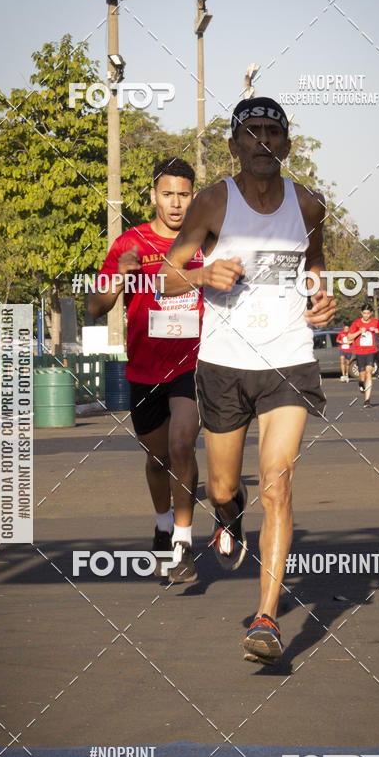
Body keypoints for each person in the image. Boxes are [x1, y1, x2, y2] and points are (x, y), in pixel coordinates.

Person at [157, 97, 337, 664]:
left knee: (278, 485)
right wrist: (203, 272)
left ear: (287, 144)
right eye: (251, 132)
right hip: (224, 363)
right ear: (235, 144)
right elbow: (166, 276)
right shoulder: (213, 201)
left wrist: (321, 297)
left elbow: (314, 264)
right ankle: (228, 514)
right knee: (221, 487)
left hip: (288, 360)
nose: (262, 141)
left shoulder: (308, 205)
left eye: (272, 132)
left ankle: (266, 618)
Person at [89, 158, 203, 584]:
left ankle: (183, 544)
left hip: (192, 363)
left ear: (193, 196)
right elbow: (95, 306)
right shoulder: (130, 243)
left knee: (181, 446)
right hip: (144, 368)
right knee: (158, 459)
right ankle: (162, 525)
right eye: (167, 194)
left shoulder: (206, 240)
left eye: (183, 195)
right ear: (153, 195)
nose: (175, 203)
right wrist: (120, 277)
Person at [348, 304, 379, 408]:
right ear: (361, 313)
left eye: (368, 313)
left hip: (371, 351)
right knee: (362, 375)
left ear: (371, 313)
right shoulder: (356, 323)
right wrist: (359, 331)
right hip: (359, 352)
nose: (366, 315)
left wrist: (378, 332)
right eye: (364, 313)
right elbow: (349, 337)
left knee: (369, 372)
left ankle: (367, 401)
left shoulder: (376, 322)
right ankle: (360, 383)